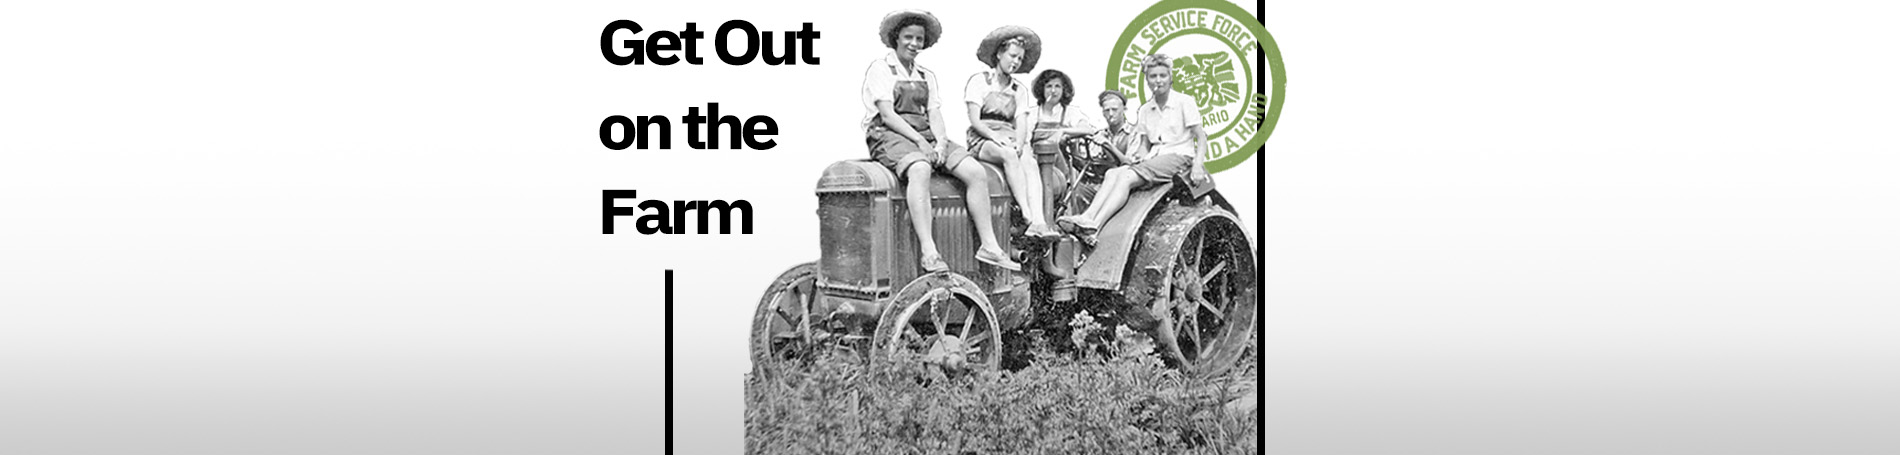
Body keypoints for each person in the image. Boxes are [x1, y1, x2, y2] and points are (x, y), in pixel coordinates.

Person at [862, 10, 1021, 272]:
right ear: (896, 38)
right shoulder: (881, 69)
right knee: (920, 168)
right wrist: (921, 144)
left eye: (919, 39)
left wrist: (940, 141)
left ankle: (990, 245)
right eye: (908, 37)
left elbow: (934, 113)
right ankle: (929, 251)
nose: (914, 44)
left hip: (924, 132)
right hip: (888, 134)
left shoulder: (926, 75)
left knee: (975, 171)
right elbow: (888, 115)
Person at [1057, 54, 1213, 236]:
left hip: (1179, 157)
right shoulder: (1146, 110)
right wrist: (1139, 155)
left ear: (1170, 77)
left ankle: (1095, 224)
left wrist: (1198, 166)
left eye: (1163, 76)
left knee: (1126, 177)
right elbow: (1145, 144)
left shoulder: (1184, 102)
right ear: (1147, 80)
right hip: (1154, 158)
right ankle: (1088, 216)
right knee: (1113, 172)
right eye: (1153, 76)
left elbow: (1200, 138)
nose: (1158, 81)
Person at [964, 26, 1059, 239]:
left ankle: (1039, 221)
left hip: (1009, 135)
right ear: (999, 54)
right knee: (1007, 154)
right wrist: (995, 136)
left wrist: (1020, 142)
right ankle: (1026, 213)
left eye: (1020, 59)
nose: (1015, 62)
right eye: (1012, 56)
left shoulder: (1019, 90)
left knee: (1029, 160)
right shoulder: (980, 81)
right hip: (984, 137)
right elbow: (975, 120)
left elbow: (1021, 122)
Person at [1024, 69, 1097, 232]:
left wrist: (1063, 131)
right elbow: (1025, 140)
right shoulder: (1033, 114)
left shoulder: (1070, 112)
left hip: (1064, 170)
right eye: (1049, 86)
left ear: (1064, 90)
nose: (1053, 90)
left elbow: (1088, 129)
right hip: (1036, 166)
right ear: (1041, 90)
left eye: (1058, 86)